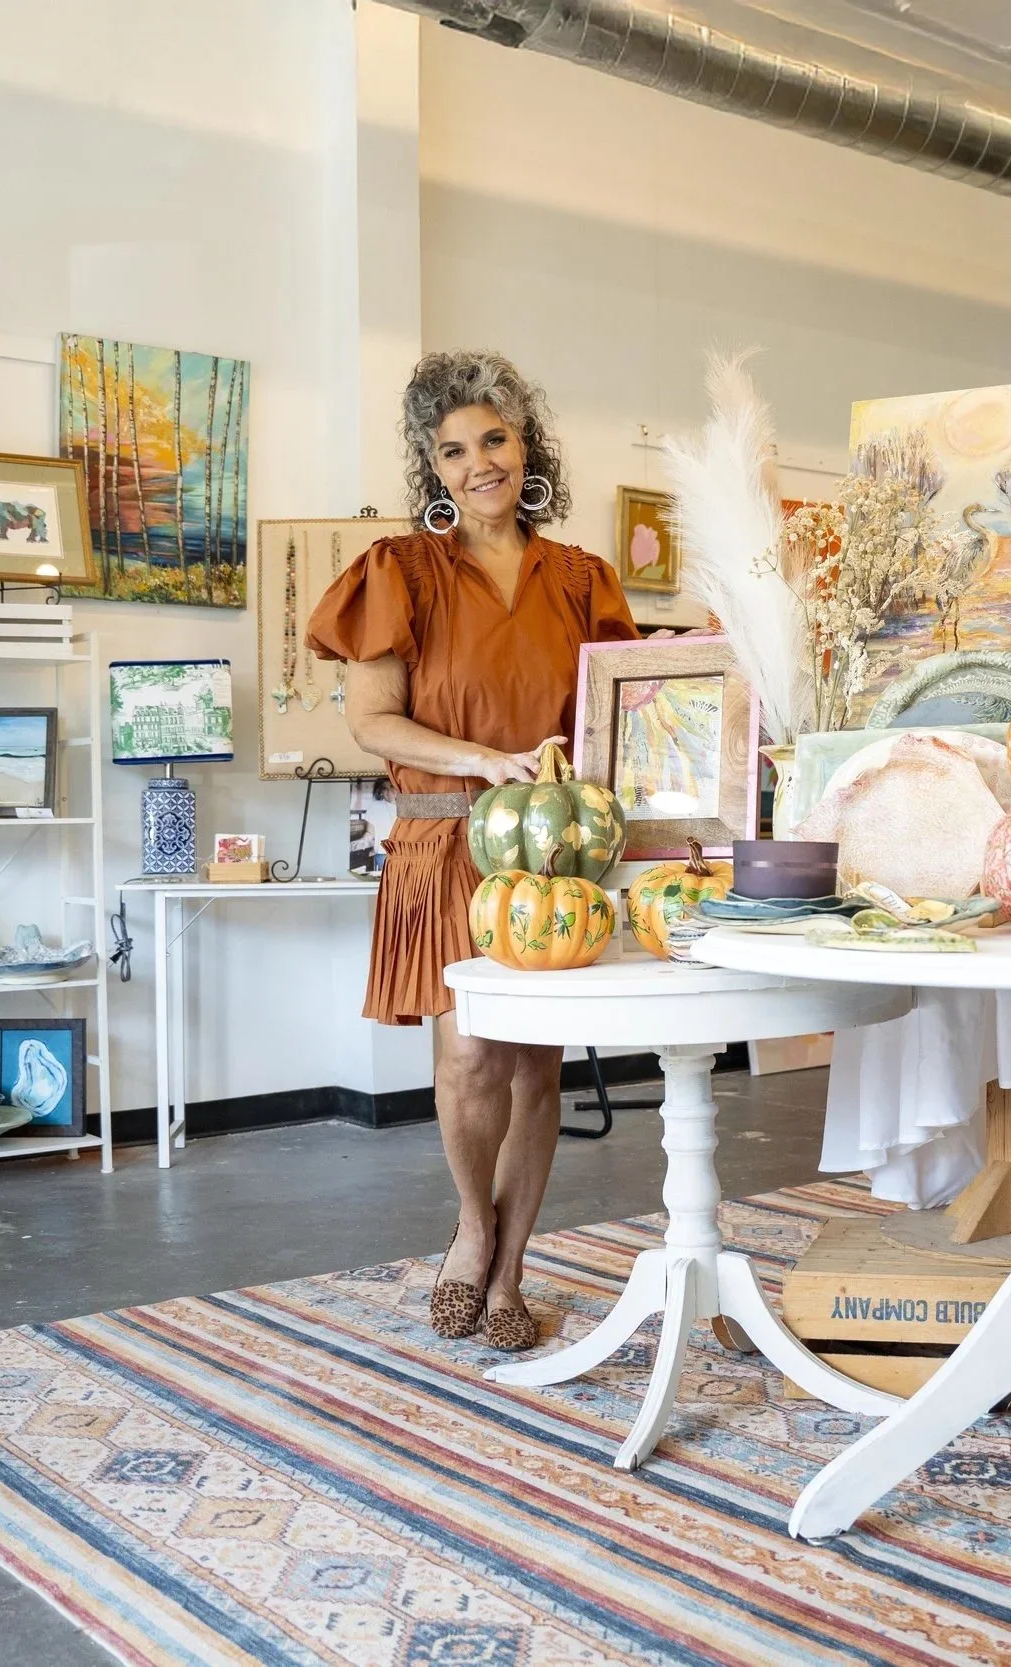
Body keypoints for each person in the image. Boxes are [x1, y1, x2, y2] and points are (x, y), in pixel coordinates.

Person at [305, 351, 640, 1350]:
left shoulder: (582, 577)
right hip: (444, 840)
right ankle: (472, 1224)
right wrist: (482, 760)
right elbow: (373, 722)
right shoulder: (399, 570)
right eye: (451, 449)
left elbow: (621, 714)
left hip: (546, 850)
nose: (477, 462)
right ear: (432, 468)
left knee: (537, 1065)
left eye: (492, 437)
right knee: (467, 1059)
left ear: (526, 443)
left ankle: (512, 1272)